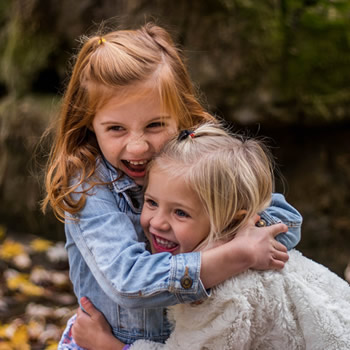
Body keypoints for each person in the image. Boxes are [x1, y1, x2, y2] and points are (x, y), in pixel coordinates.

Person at [41, 23, 302, 348]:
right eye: (116, 129)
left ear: (180, 116)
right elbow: (129, 281)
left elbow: (285, 222)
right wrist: (234, 255)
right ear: (89, 125)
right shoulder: (89, 184)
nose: (137, 147)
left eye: (154, 125)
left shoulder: (196, 160)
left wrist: (228, 235)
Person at [72, 123, 350, 350]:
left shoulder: (229, 293)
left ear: (234, 221)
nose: (157, 222)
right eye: (151, 202)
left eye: (180, 213)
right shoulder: (244, 247)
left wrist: (107, 345)